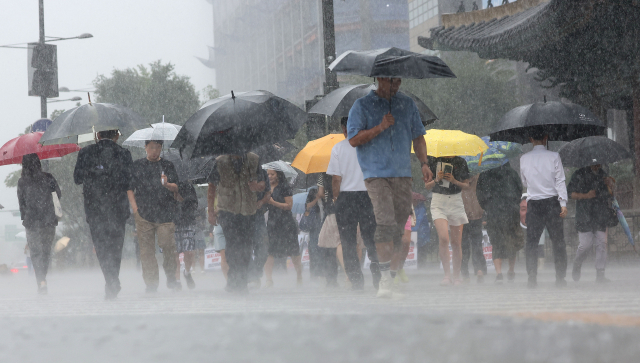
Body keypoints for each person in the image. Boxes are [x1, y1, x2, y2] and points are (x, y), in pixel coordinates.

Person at [348, 77, 432, 298]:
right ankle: (383, 280)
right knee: (384, 223)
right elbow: (354, 139)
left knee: (397, 227)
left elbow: (418, 137)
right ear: (378, 79)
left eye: (398, 80)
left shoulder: (408, 104)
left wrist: (424, 163)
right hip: (376, 174)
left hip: (403, 174)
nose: (394, 84)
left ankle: (391, 276)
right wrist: (380, 127)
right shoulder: (361, 105)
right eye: (389, 80)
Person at [74, 129, 133, 299]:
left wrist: (92, 172)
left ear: (97, 135)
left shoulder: (85, 153)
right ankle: (113, 278)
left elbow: (77, 179)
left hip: (95, 210)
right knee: (116, 247)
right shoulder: (124, 153)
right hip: (118, 209)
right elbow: (130, 180)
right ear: (116, 136)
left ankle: (110, 279)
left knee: (102, 248)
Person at [328, 117, 380, 290]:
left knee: (348, 242)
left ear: (344, 129)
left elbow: (336, 178)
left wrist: (336, 198)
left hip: (346, 198)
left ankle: (356, 281)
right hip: (367, 197)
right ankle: (378, 275)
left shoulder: (338, 148)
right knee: (371, 239)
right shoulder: (370, 146)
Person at [128, 140, 182, 293]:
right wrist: (134, 208)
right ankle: (151, 283)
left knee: (168, 246)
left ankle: (171, 277)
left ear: (161, 148)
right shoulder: (137, 165)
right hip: (144, 214)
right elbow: (130, 188)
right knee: (146, 251)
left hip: (166, 214)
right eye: (151, 147)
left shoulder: (168, 165)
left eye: (158, 147)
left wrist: (167, 184)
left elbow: (177, 187)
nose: (154, 150)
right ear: (145, 148)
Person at [208, 152, 265, 293]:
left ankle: (242, 279)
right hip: (227, 210)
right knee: (232, 245)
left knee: (246, 246)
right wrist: (210, 212)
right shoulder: (219, 161)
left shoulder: (254, 159)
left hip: (248, 210)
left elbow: (264, 184)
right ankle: (234, 279)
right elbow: (211, 186)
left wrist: (256, 186)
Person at [520, 128, 569, 288]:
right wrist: (563, 203)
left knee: (532, 243)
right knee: (558, 242)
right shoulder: (554, 156)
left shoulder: (524, 158)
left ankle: (532, 277)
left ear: (530, 138)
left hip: (534, 204)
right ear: (546, 138)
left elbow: (525, 182)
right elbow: (560, 180)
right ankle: (560, 277)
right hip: (552, 203)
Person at [18, 154, 61, 294]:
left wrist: (24, 217)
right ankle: (42, 278)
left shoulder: (22, 181)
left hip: (31, 222)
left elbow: (22, 203)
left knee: (36, 253)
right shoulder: (48, 177)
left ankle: (41, 281)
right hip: (48, 220)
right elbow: (58, 195)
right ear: (38, 163)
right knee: (46, 252)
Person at [426, 156, 471, 286]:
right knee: (444, 238)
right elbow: (427, 186)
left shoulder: (461, 161)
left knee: (456, 242)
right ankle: (447, 275)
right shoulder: (433, 160)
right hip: (438, 201)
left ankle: (456, 275)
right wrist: (437, 179)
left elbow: (467, 185)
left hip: (456, 200)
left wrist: (454, 181)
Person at [477, 162, 524, 284]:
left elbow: (480, 194)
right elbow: (520, 190)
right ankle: (511, 270)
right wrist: (513, 203)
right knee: (511, 241)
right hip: (511, 211)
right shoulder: (512, 173)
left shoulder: (485, 174)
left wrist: (487, 206)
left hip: (494, 212)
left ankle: (499, 273)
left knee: (496, 241)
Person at [567, 164, 615, 283]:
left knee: (602, 244)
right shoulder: (579, 174)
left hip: (600, 215)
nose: (598, 164)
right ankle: (577, 263)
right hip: (584, 216)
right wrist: (586, 196)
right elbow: (570, 193)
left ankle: (600, 273)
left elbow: (609, 195)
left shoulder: (603, 175)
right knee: (585, 245)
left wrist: (610, 186)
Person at [264, 169, 302, 287]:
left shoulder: (285, 187)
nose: (269, 176)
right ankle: (269, 280)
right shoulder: (265, 188)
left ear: (278, 175)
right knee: (269, 251)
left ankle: (299, 275)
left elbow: (289, 206)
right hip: (272, 223)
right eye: (268, 174)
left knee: (293, 251)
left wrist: (272, 202)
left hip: (286, 223)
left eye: (272, 174)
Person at [460, 174, 487, 284]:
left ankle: (466, 271)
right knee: (475, 244)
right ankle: (478, 269)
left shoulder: (459, 179)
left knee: (465, 245)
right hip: (474, 214)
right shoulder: (479, 177)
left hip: (465, 215)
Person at [248, 168, 271, 288]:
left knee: (263, 248)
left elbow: (268, 192)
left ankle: (255, 273)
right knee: (244, 247)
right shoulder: (238, 171)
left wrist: (262, 201)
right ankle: (251, 276)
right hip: (242, 215)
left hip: (258, 215)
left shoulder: (262, 172)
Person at [174, 181, 199, 289]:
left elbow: (194, 204)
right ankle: (177, 281)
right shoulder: (165, 183)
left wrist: (183, 200)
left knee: (189, 252)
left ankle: (187, 272)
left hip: (188, 222)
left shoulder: (188, 185)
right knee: (174, 254)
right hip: (171, 222)